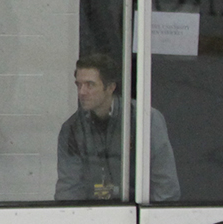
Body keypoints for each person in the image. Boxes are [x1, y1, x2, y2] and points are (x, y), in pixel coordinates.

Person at [55, 53, 181, 202]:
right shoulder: (72, 128)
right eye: (79, 85)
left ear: (110, 87)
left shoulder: (145, 119)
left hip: (136, 214)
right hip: (92, 215)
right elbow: (69, 188)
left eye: (90, 84)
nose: (82, 92)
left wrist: (151, 221)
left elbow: (165, 184)